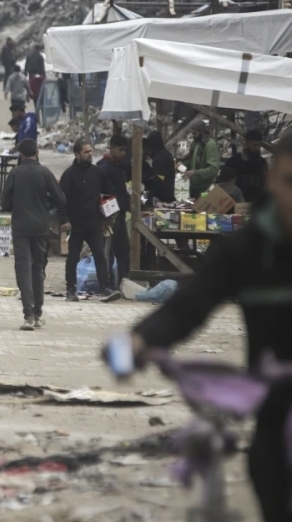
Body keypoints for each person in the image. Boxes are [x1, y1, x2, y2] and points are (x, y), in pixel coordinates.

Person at [125, 131, 292, 522]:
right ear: (272, 180)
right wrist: (140, 339)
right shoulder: (246, 249)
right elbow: (191, 304)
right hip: (273, 422)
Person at [1, 139, 66, 331]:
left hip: (20, 227)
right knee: (38, 268)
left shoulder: (15, 173)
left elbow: (4, 203)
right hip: (41, 227)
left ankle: (28, 315)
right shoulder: (45, 173)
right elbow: (61, 200)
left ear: (20, 154)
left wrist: (17, 205)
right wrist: (45, 204)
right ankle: (37, 313)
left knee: (23, 268)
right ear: (37, 152)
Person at [59, 140, 122, 302]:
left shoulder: (97, 172)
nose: (90, 154)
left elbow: (109, 193)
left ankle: (105, 288)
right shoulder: (69, 175)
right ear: (77, 154)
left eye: (90, 151)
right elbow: (61, 200)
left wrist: (108, 216)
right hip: (75, 225)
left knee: (100, 255)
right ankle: (71, 289)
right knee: (73, 257)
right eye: (86, 152)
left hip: (94, 223)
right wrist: (64, 220)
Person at [98, 134, 132, 286]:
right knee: (109, 252)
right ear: (111, 148)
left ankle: (123, 284)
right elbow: (102, 195)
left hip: (120, 216)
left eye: (125, 150)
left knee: (123, 251)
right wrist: (107, 217)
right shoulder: (104, 168)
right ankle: (108, 285)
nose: (123, 153)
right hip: (110, 218)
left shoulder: (117, 167)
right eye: (121, 150)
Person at [225, 129, 269, 205]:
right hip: (237, 205)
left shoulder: (262, 163)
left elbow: (265, 187)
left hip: (257, 206)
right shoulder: (233, 162)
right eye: (254, 145)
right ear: (246, 143)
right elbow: (226, 187)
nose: (257, 148)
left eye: (259, 145)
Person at [181, 119, 220, 199]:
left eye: (195, 133)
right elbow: (192, 161)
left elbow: (213, 169)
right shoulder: (196, 143)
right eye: (192, 133)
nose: (193, 136)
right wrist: (182, 164)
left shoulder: (210, 145)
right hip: (194, 187)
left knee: (203, 206)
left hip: (206, 189)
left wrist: (195, 172)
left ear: (202, 132)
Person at [142, 130, 175, 203]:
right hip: (167, 194)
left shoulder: (160, 158)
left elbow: (158, 179)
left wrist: (144, 180)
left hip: (162, 198)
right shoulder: (164, 154)